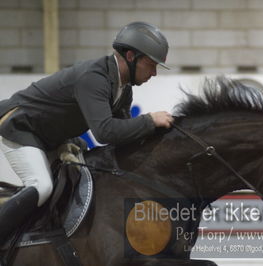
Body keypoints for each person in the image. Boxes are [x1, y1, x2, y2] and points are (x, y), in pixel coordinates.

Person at [0, 21, 174, 247]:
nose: (154, 73)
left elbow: (123, 137)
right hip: (20, 126)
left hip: (49, 136)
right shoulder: (94, 78)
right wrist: (150, 120)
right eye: (151, 64)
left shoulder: (124, 89)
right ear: (131, 56)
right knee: (41, 186)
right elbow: (105, 132)